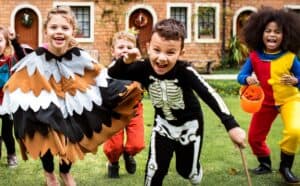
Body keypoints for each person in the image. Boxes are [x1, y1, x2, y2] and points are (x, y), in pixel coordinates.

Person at [0, 6, 142, 186]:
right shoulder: (35, 58)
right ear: (46, 31)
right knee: (47, 137)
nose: (59, 32)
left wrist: (126, 87)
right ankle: (49, 173)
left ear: (73, 31)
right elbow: (19, 79)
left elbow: (101, 77)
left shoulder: (79, 56)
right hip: (46, 106)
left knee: (71, 136)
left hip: (71, 104)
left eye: (65, 28)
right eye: (54, 27)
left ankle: (65, 172)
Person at [108, 18, 246, 186]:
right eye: (156, 50)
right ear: (147, 47)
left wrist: (232, 125)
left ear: (181, 53)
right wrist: (125, 62)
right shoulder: (142, 67)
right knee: (154, 170)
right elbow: (112, 74)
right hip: (163, 126)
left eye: (170, 52)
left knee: (185, 170)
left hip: (190, 127)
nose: (161, 58)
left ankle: (193, 169)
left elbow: (209, 94)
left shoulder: (185, 71)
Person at [237, 7, 300, 184]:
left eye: (277, 32)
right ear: (260, 33)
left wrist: (296, 81)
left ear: (286, 35)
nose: (272, 35)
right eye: (268, 31)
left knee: (295, 130)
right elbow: (240, 76)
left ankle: (285, 167)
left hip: (289, 100)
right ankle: (264, 163)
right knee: (254, 138)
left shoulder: (290, 57)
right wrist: (247, 78)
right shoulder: (254, 57)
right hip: (264, 102)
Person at [103, 30, 145, 178]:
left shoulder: (140, 67)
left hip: (135, 109)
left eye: (129, 47)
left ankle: (129, 155)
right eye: (121, 47)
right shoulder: (110, 70)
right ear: (113, 51)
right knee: (113, 146)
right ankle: (113, 162)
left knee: (137, 143)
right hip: (114, 111)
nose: (125, 50)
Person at [0, 26, 30, 168]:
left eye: (0, 40)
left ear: (6, 43)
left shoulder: (10, 61)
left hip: (6, 104)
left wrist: (15, 42)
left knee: (7, 132)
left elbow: (23, 57)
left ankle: (11, 155)